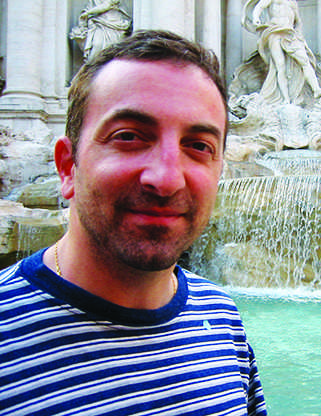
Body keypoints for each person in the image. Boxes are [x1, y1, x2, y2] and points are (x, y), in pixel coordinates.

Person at [0, 30, 267, 415]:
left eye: (198, 146)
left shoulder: (220, 315)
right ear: (66, 167)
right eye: (129, 136)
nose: (167, 178)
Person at [243, 0, 321, 104]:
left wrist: (299, 36)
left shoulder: (292, 2)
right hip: (275, 32)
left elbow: (298, 21)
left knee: (305, 61)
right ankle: (285, 99)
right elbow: (260, 7)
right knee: (280, 66)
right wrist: (256, 17)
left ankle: (316, 89)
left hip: (290, 34)